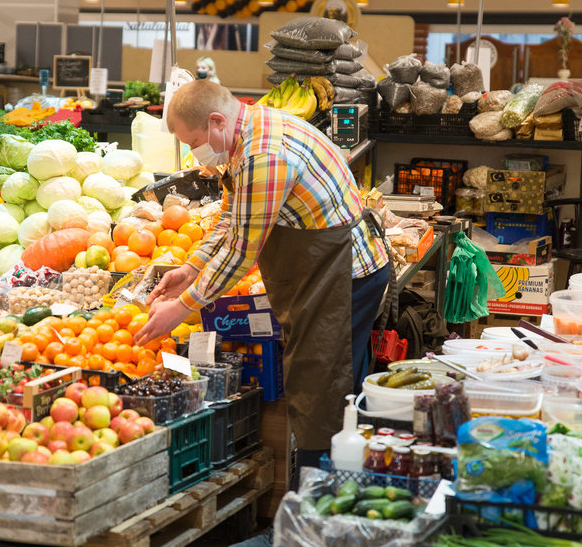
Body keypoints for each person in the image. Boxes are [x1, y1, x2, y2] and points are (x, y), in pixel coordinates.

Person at [134, 80, 390, 471]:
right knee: (329, 385)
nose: (193, 150)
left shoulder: (264, 155)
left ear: (217, 120)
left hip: (344, 275)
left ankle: (315, 501)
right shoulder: (245, 135)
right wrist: (191, 267)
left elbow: (241, 252)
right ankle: (338, 483)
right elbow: (231, 219)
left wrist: (182, 308)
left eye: (195, 139)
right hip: (323, 268)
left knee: (321, 387)